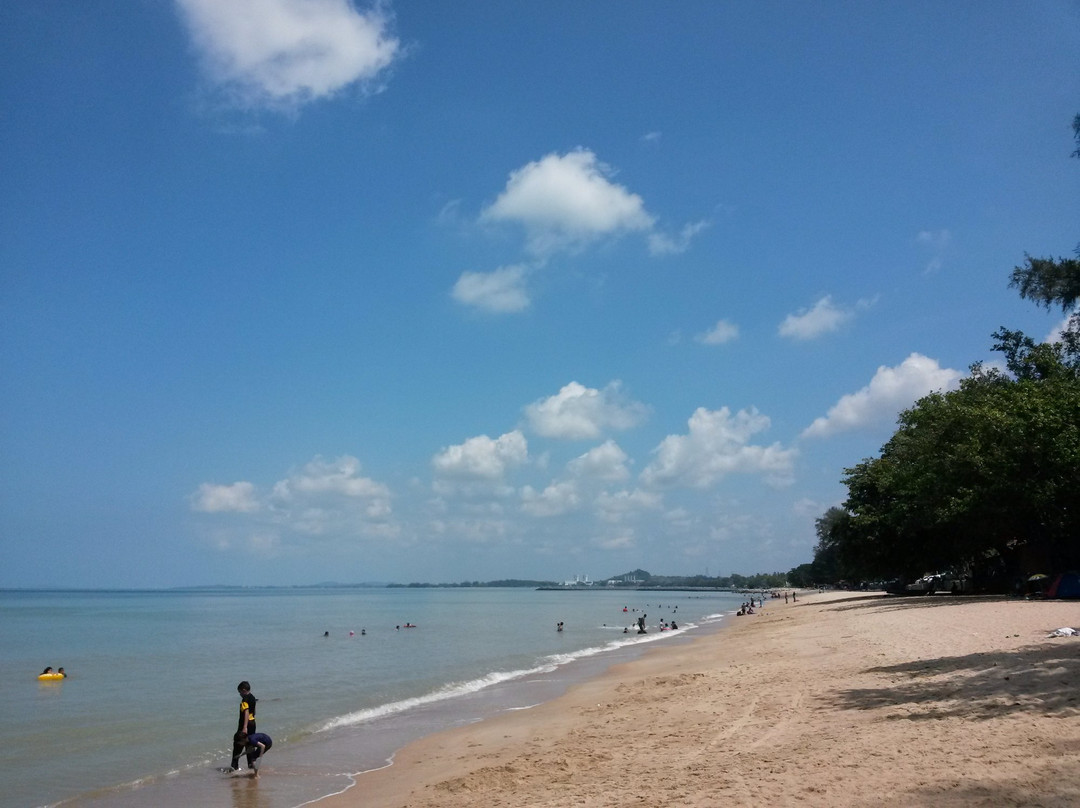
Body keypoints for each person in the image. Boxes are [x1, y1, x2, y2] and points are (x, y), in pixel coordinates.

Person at [230, 681, 258, 772]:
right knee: (250, 744)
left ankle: (234, 766)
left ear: (244, 690)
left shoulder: (245, 699)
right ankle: (251, 765)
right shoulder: (253, 697)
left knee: (238, 744)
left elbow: (246, 711)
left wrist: (244, 727)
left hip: (245, 724)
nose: (240, 695)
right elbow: (253, 711)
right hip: (252, 723)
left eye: (240, 692)